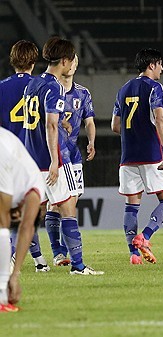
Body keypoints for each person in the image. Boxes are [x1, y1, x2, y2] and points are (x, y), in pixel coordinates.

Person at [24, 36, 103, 275]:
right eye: (72, 60)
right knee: (68, 209)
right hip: (52, 158)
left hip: (30, 158)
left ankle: (36, 259)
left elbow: (36, 123)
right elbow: (49, 125)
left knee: (31, 213)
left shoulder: (33, 83)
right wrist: (56, 161)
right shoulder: (55, 87)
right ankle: (78, 266)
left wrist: (62, 127)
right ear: (66, 61)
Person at [111, 48, 163, 265]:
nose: (162, 69)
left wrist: (133, 133)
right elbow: (160, 119)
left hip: (128, 156)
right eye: (160, 64)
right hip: (151, 153)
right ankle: (145, 237)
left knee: (131, 206)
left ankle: (134, 254)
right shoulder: (155, 87)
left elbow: (115, 125)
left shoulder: (123, 89)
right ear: (152, 65)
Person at [0, 40, 51, 273]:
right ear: (34, 61)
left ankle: (39, 260)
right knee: (31, 210)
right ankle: (12, 256)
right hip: (33, 156)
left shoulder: (1, 87)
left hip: (6, 155)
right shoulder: (41, 86)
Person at [44, 54, 96, 267]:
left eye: (76, 60)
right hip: (54, 154)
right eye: (70, 60)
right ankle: (58, 252)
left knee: (70, 201)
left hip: (73, 155)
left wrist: (91, 141)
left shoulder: (83, 93)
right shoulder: (51, 89)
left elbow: (89, 121)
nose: (73, 64)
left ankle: (63, 253)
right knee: (56, 203)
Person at [0, 127, 47, 312]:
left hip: (5, 149)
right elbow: (27, 228)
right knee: (2, 225)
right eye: (17, 216)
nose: (16, 215)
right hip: (3, 152)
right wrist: (14, 276)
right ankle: (2, 296)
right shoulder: (35, 187)